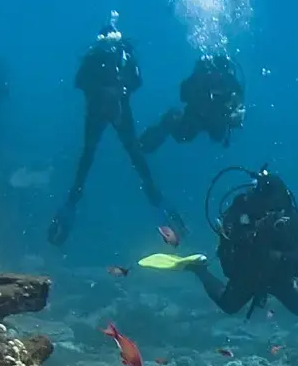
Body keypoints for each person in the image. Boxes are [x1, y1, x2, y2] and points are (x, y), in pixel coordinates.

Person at [48, 13, 205, 247]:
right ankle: (154, 202)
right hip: (108, 111)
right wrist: (110, 91)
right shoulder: (106, 56)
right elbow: (86, 82)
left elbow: (117, 82)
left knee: (112, 157)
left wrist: (115, 91)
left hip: (112, 111)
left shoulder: (114, 56)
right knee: (116, 157)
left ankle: (77, 200)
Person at [187, 167, 298, 316]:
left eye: (277, 206)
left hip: (278, 273)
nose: (274, 211)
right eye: (270, 205)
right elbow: (227, 247)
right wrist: (256, 234)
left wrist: (282, 256)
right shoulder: (242, 208)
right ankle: (199, 269)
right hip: (248, 271)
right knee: (229, 305)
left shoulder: (288, 214)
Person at [140, 54, 246, 152]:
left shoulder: (232, 87)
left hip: (216, 118)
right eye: (215, 71)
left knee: (214, 135)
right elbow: (185, 95)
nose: (217, 76)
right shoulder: (201, 78)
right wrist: (199, 74)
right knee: (179, 131)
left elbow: (238, 109)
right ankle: (147, 143)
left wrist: (234, 116)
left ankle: (148, 142)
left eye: (221, 73)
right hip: (197, 114)